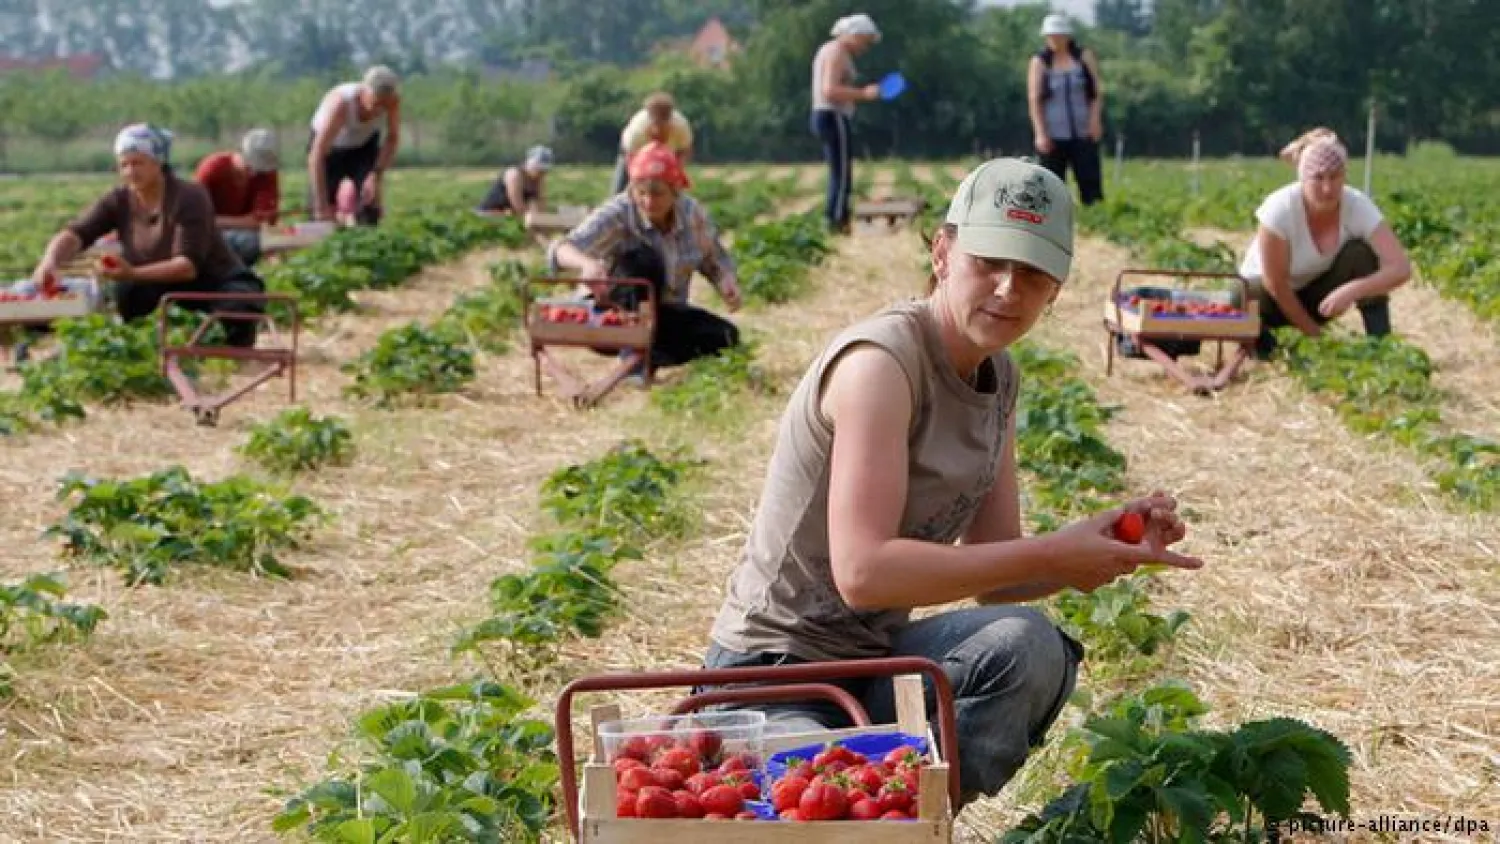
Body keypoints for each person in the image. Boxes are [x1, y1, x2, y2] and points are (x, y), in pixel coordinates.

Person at [701, 158, 1203, 806]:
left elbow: (998, 578)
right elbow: (864, 572)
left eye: (1031, 272)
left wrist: (1099, 549)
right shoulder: (881, 365)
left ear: (1057, 287)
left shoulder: (1000, 377)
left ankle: (915, 814)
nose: (1006, 288)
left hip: (871, 660)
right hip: (769, 676)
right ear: (942, 251)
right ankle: (884, 812)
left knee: (1029, 647)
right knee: (827, 800)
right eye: (988, 261)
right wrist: (1055, 554)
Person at [29, 124, 267, 348]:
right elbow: (76, 233)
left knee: (235, 309)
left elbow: (187, 267)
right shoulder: (119, 200)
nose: (131, 171)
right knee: (129, 292)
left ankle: (221, 346)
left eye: (138, 163)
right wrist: (50, 261)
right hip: (161, 286)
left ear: (158, 162)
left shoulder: (189, 197)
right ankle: (161, 340)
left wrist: (131, 272)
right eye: (124, 165)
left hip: (213, 284)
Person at [1238, 135, 1413, 358]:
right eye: (1318, 178)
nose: (1327, 188)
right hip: (1270, 300)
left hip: (1318, 296)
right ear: (1302, 179)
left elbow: (1400, 268)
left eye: (1335, 177)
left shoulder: (1357, 205)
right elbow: (1276, 283)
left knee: (1360, 254)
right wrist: (1315, 337)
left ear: (1344, 176)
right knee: (1238, 293)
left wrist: (1353, 289)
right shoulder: (1280, 209)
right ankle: (1264, 347)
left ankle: (1381, 347)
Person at [550, 141, 741, 329]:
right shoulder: (619, 212)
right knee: (643, 259)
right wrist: (587, 264)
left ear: (675, 192)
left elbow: (713, 258)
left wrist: (725, 281)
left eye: (658, 194)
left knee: (724, 335)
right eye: (641, 193)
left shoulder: (692, 215)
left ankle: (645, 350)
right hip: (615, 313)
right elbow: (561, 248)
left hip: (665, 311)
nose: (648, 202)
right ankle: (633, 345)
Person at [810, 13, 883, 235]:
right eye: (865, 40)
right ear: (855, 35)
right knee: (841, 174)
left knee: (838, 171)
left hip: (826, 116)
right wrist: (864, 93)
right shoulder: (836, 52)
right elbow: (829, 90)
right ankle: (837, 221)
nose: (866, 47)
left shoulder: (830, 49)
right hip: (833, 116)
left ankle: (834, 218)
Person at [307, 65, 401, 226]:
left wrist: (375, 175)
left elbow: (392, 138)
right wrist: (321, 204)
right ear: (365, 91)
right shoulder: (341, 103)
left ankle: (367, 239)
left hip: (364, 146)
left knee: (369, 202)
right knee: (320, 212)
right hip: (331, 150)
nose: (378, 110)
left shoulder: (393, 101)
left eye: (384, 105)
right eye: (375, 102)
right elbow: (317, 154)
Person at [1027, 13, 1105, 206]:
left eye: (1058, 35)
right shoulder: (1040, 62)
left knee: (1090, 180)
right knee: (1050, 186)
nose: (1054, 39)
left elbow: (1096, 92)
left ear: (1067, 36)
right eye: (1051, 35)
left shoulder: (1083, 57)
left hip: (1083, 132)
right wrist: (1040, 134)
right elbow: (1035, 99)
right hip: (1053, 135)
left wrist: (1095, 121)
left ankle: (1094, 215)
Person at [194, 128, 281, 266]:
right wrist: (244, 221)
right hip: (211, 235)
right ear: (240, 153)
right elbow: (195, 216)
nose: (253, 173)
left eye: (257, 169)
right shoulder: (213, 168)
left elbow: (262, 220)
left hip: (247, 235)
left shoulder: (266, 174)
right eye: (249, 166)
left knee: (253, 241)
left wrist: (217, 220)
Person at [609, 93, 694, 197]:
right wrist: (635, 183)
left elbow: (685, 151)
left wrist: (675, 174)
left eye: (664, 129)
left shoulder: (681, 126)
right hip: (636, 155)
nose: (660, 132)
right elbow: (630, 158)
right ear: (650, 123)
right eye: (657, 128)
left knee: (675, 192)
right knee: (621, 192)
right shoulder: (637, 131)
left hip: (668, 156)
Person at [477, 145, 553, 215]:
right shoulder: (514, 175)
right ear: (528, 163)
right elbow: (518, 207)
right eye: (538, 169)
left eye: (544, 170)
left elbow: (541, 204)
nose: (541, 173)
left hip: (509, 215)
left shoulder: (538, 180)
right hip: (489, 213)